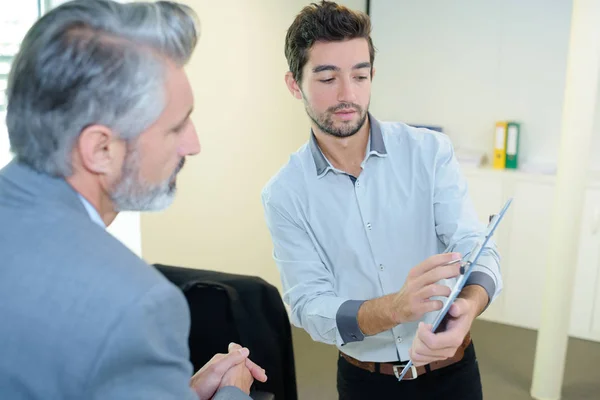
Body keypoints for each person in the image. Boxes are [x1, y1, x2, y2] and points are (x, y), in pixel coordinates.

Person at [0, 1, 266, 399]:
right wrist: (233, 393)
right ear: (101, 149)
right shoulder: (135, 305)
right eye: (177, 127)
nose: (193, 145)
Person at [261, 1, 501, 399]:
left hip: (454, 371)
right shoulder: (285, 194)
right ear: (294, 84)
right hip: (365, 382)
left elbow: (475, 248)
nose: (347, 94)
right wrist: (395, 308)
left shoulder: (429, 152)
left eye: (360, 75)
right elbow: (308, 304)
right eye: (327, 78)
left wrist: (469, 308)